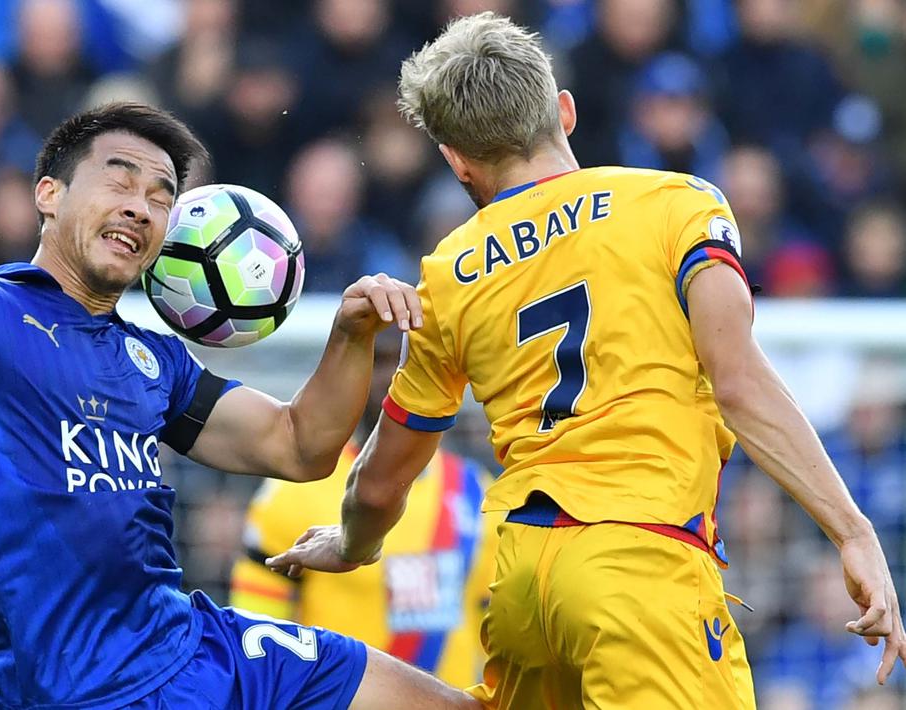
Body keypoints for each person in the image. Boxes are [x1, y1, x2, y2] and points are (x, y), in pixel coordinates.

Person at [268, 13, 906, 709]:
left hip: (522, 582)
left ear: (455, 159)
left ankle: (332, 680)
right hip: (641, 564)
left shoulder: (447, 272)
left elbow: (383, 481)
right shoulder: (675, 205)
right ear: (562, 112)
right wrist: (852, 530)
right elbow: (739, 382)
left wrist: (353, 544)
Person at [0, 102, 478, 709]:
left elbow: (298, 446)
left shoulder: (153, 359)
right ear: (49, 194)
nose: (140, 206)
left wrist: (349, 335)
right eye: (118, 181)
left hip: (195, 646)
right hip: (79, 689)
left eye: (160, 196)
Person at [231, 331, 500, 688]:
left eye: (407, 362)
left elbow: (496, 629)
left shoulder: (475, 490)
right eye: (380, 361)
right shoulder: (293, 491)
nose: (392, 378)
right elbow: (256, 634)